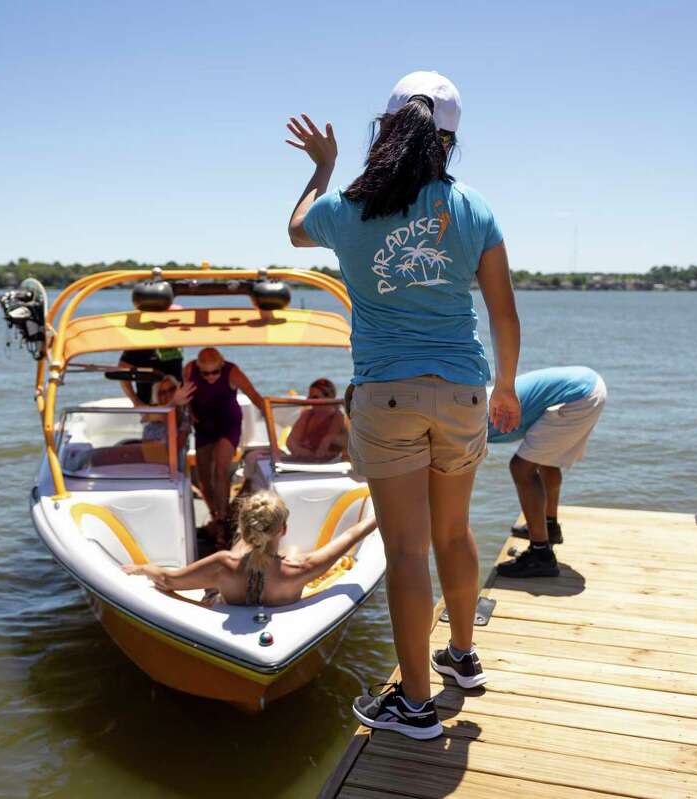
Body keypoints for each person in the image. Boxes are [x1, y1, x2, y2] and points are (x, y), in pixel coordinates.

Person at [286, 70, 521, 739]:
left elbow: (298, 228)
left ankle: (415, 704)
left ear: (387, 131)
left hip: (387, 395)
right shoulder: (472, 207)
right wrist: (505, 386)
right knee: (455, 531)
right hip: (463, 390)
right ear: (449, 141)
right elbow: (503, 315)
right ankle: (464, 657)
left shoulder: (349, 207)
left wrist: (324, 167)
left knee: (408, 549)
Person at [122, 492, 378, 606]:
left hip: (230, 585)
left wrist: (141, 568)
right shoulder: (303, 567)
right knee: (292, 553)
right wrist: (382, 514)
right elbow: (351, 535)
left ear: (243, 529)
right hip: (283, 580)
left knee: (239, 554)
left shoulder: (224, 564)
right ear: (284, 529)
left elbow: (167, 580)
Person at [488, 367, 608, 578]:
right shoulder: (480, 400)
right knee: (546, 459)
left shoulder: (470, 419)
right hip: (588, 386)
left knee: (521, 468)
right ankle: (549, 527)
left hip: (577, 396)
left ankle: (541, 555)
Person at [185, 347, 266, 528]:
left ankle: (222, 519)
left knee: (220, 471)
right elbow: (186, 395)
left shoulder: (232, 371)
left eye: (215, 372)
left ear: (222, 365)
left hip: (227, 425)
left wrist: (269, 416)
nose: (210, 377)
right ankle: (217, 513)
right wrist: (189, 412)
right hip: (203, 425)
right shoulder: (190, 369)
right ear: (198, 368)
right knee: (203, 478)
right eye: (205, 373)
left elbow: (254, 395)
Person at [285, 378, 348, 462]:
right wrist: (303, 452)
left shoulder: (337, 416)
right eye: (309, 397)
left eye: (315, 397)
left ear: (329, 398)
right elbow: (291, 441)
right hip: (306, 462)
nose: (309, 400)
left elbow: (324, 447)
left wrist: (330, 439)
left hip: (327, 465)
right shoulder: (307, 415)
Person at [139, 375, 194, 445]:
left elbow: (179, 443)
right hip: (152, 454)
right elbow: (149, 417)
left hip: (174, 455)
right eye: (163, 392)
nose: (168, 394)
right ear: (157, 396)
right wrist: (174, 402)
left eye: (171, 389)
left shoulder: (184, 413)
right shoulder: (153, 411)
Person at [119, 347, 185, 406]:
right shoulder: (147, 341)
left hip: (179, 401)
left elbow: (122, 367)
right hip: (151, 405)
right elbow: (122, 369)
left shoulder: (145, 400)